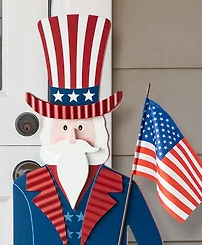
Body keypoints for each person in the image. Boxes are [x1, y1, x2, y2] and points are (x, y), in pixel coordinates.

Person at [13, 14, 162, 245]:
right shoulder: (25, 188)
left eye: (82, 126)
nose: (72, 137)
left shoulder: (123, 189)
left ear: (98, 130)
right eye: (64, 126)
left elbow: (150, 240)